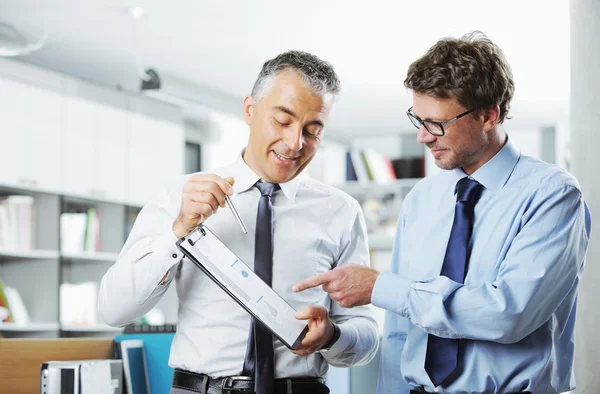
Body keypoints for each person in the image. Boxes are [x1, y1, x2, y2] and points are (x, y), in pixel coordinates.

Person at [293, 32, 592, 394]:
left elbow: (509, 313)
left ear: (488, 115)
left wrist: (382, 287)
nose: (423, 136)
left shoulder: (552, 196)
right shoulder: (422, 199)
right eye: (417, 120)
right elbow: (402, 330)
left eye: (437, 123)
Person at [98, 50, 379, 394]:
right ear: (250, 109)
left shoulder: (342, 211)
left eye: (312, 129)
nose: (295, 143)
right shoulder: (180, 196)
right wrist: (178, 232)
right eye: (283, 120)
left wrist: (334, 336)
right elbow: (113, 309)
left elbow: (366, 335)